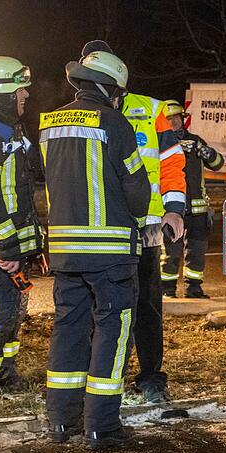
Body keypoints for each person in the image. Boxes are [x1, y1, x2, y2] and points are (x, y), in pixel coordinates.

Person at [41, 49, 150, 450]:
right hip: (109, 253)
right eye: (119, 92)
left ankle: (60, 421)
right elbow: (138, 195)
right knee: (112, 331)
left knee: (68, 330)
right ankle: (100, 426)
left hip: (65, 250)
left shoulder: (49, 124)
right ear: (108, 87)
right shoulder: (114, 122)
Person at [81, 40, 186, 405]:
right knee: (104, 308)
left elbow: (173, 164)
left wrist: (175, 209)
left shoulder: (152, 110)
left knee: (147, 306)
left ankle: (151, 377)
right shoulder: (84, 113)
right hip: (105, 227)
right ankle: (104, 379)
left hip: (148, 227)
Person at [0, 57, 42, 396]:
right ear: (5, 94)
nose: (25, 95)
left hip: (12, 248)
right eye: (20, 89)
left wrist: (31, 244)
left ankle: (6, 372)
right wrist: (8, 247)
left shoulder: (11, 131)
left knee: (12, 313)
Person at [160, 99, 223, 299]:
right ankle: (167, 289)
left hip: (197, 208)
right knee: (170, 251)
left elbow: (217, 163)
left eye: (176, 118)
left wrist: (207, 152)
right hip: (171, 208)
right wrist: (176, 148)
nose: (174, 122)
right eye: (169, 119)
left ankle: (194, 288)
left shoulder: (195, 141)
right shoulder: (158, 142)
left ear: (183, 119)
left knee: (196, 251)